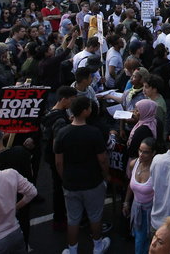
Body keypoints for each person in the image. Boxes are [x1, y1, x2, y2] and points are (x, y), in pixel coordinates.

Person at [54, 95, 111, 254]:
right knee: (95, 216)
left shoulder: (62, 133)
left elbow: (59, 162)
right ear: (86, 111)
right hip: (93, 181)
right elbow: (103, 159)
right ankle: (97, 246)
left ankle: (73, 250)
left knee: (73, 219)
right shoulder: (94, 133)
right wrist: (105, 175)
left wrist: (64, 177)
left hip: (71, 182)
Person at [42, 85, 78, 232]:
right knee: (59, 189)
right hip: (57, 159)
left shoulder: (51, 112)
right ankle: (60, 219)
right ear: (64, 99)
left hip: (49, 157)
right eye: (72, 100)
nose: (73, 103)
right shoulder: (60, 120)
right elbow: (58, 145)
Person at [123, 137, 155, 254]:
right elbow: (130, 185)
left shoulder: (156, 169)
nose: (141, 154)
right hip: (136, 209)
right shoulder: (133, 164)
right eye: (140, 151)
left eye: (145, 152)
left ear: (153, 153)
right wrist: (126, 202)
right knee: (139, 240)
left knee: (146, 241)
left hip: (151, 210)